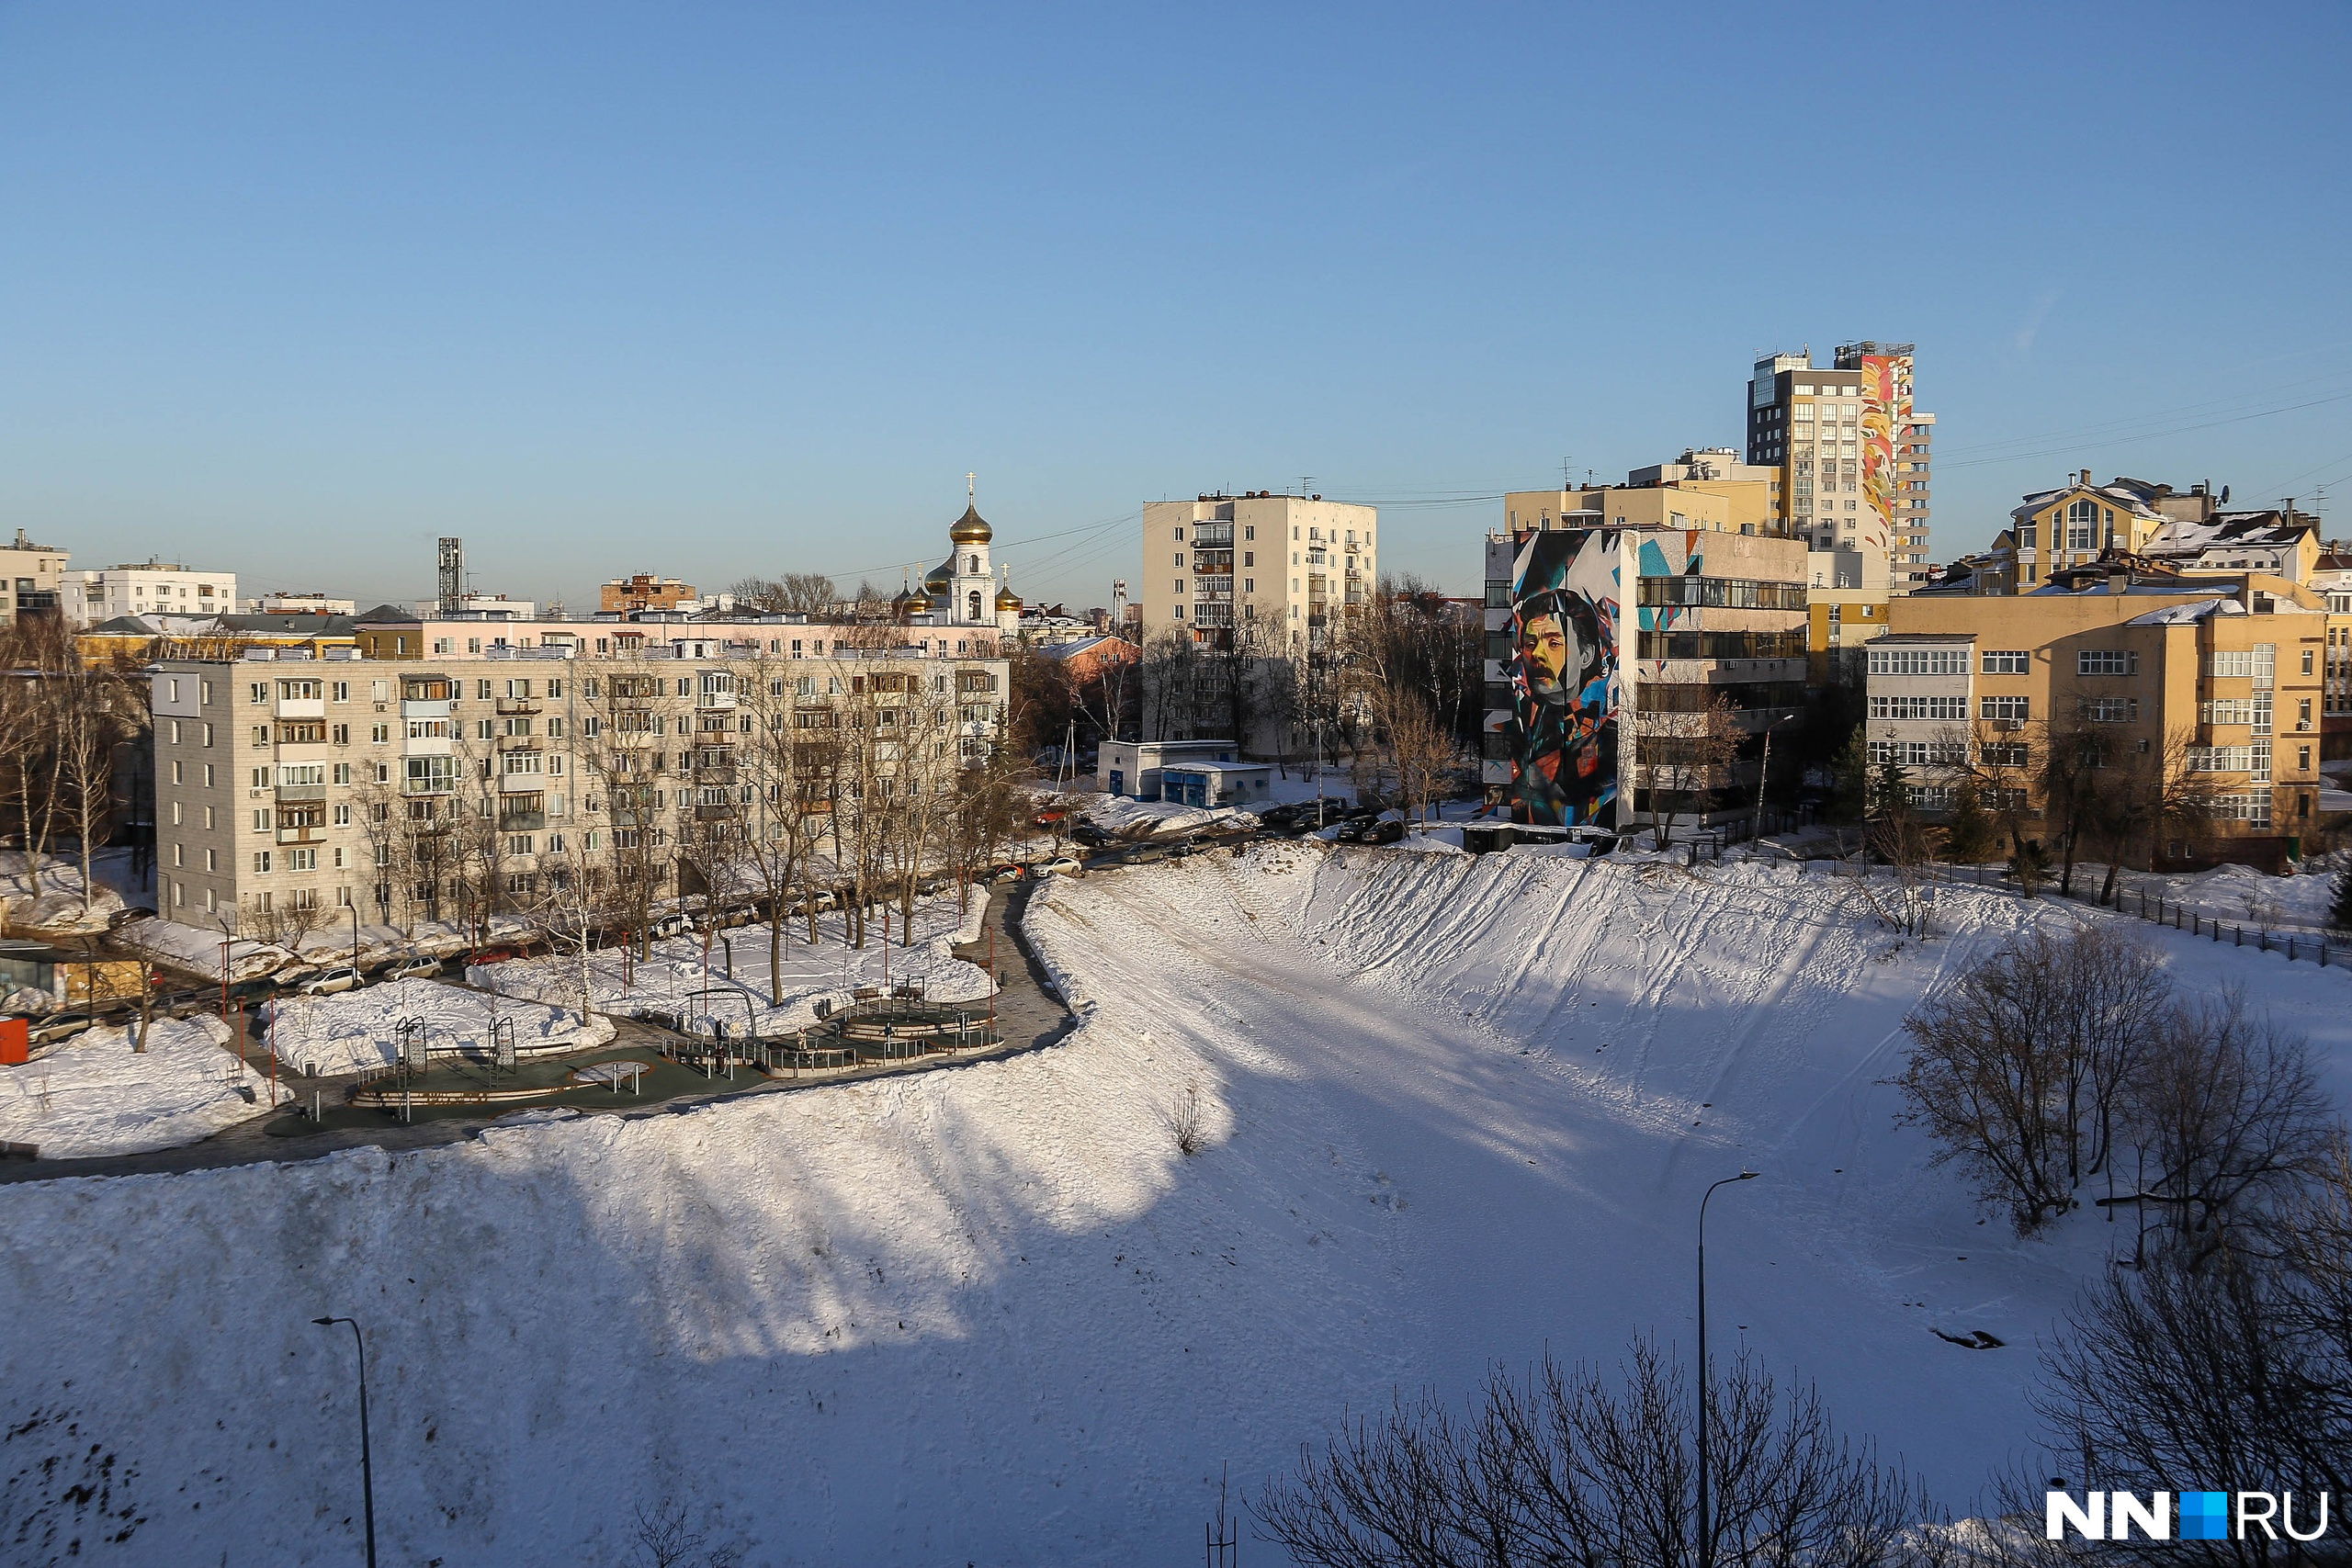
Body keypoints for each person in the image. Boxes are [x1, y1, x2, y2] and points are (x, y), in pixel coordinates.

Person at [1508, 586, 1614, 826]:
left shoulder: (1608, 727)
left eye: (1553, 643)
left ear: (1586, 654)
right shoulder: (1521, 723)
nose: (1537, 654)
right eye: (1530, 643)